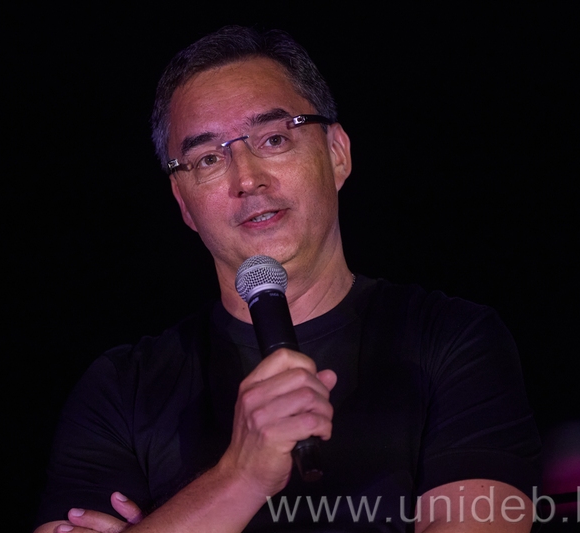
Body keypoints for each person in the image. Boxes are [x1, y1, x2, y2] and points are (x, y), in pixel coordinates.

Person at [34, 25, 541, 532]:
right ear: (183, 202)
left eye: (274, 139)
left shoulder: (452, 340)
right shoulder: (122, 389)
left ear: (337, 153)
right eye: (208, 158)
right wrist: (240, 478)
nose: (247, 178)